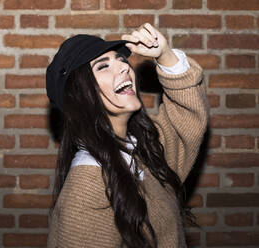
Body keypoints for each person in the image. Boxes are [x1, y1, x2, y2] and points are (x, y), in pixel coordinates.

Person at [45, 23, 209, 248]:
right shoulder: (87, 187)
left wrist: (165, 55)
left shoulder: (141, 148)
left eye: (121, 60)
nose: (124, 68)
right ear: (80, 94)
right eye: (103, 66)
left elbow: (186, 121)